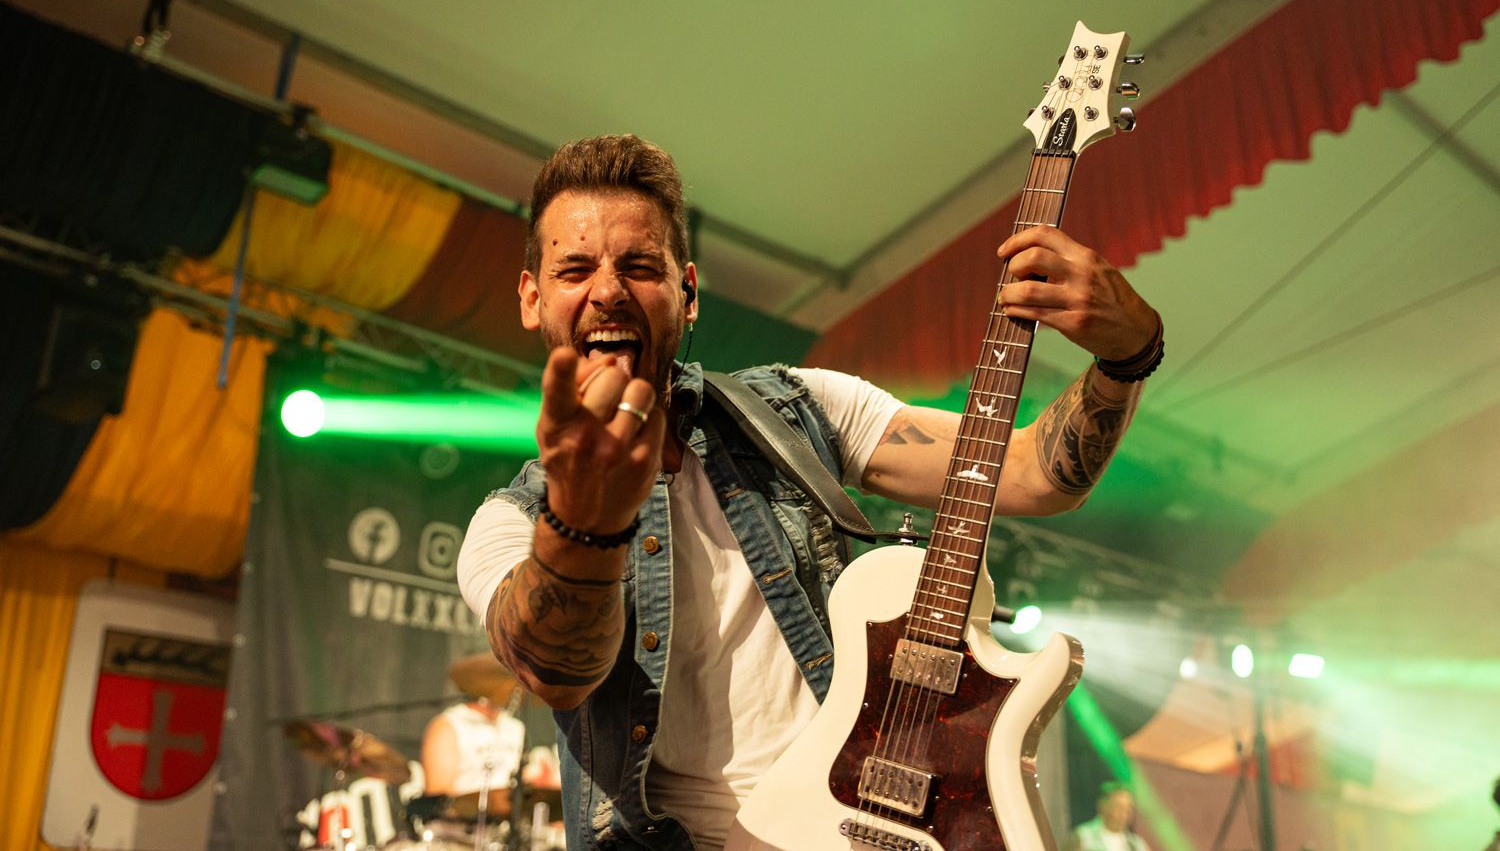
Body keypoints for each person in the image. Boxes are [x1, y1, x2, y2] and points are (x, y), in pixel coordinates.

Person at [456, 134, 1161, 850]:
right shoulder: (508, 522)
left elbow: (1032, 473)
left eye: (639, 266)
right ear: (533, 298)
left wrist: (1129, 351)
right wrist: (585, 520)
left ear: (688, 294)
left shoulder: (797, 411)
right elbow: (557, 670)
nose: (608, 290)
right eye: (575, 269)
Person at [1070, 782, 1151, 851]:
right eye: (1119, 807)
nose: (1125, 813)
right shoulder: (1083, 837)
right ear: (1103, 807)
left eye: (1128, 808)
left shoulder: (1137, 844)